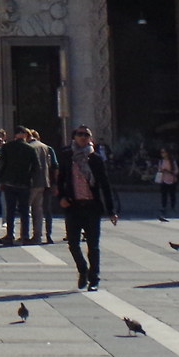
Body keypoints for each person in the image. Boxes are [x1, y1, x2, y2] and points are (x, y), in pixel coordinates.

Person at [53, 125, 118, 291]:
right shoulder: (67, 156)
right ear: (74, 137)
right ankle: (83, 270)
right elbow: (59, 181)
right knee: (73, 244)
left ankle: (94, 278)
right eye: (80, 134)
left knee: (93, 246)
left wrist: (111, 210)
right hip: (73, 206)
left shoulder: (95, 159)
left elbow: (105, 185)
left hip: (92, 207)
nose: (83, 137)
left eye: (86, 135)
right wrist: (61, 198)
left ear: (90, 138)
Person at [154, 147, 179, 215]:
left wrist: (169, 171)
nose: (162, 154)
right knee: (164, 195)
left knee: (172, 194)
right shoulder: (161, 161)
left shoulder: (172, 162)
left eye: (163, 152)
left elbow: (176, 171)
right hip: (163, 180)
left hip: (172, 180)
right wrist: (161, 171)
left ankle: (172, 206)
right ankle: (164, 206)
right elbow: (159, 170)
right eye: (161, 152)